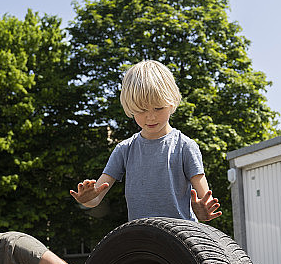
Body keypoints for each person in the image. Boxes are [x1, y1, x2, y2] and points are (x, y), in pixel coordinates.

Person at [70, 59, 221, 222]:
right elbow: (96, 199)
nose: (150, 116)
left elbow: (205, 200)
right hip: (143, 238)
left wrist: (203, 211)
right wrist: (86, 200)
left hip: (181, 237)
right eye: (141, 110)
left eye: (158, 108)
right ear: (130, 108)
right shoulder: (124, 149)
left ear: (171, 103)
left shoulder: (185, 146)